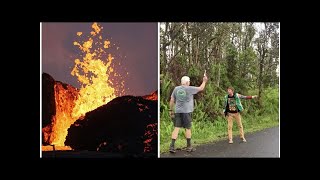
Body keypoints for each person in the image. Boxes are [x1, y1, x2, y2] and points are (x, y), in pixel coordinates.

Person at [169, 73, 208, 153]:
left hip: (178, 111)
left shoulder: (176, 89)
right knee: (188, 128)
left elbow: (172, 100)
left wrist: (171, 110)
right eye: (189, 82)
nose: (189, 83)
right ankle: (189, 146)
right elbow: (201, 88)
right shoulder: (189, 88)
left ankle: (172, 146)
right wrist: (204, 81)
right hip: (186, 112)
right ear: (187, 82)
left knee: (176, 128)